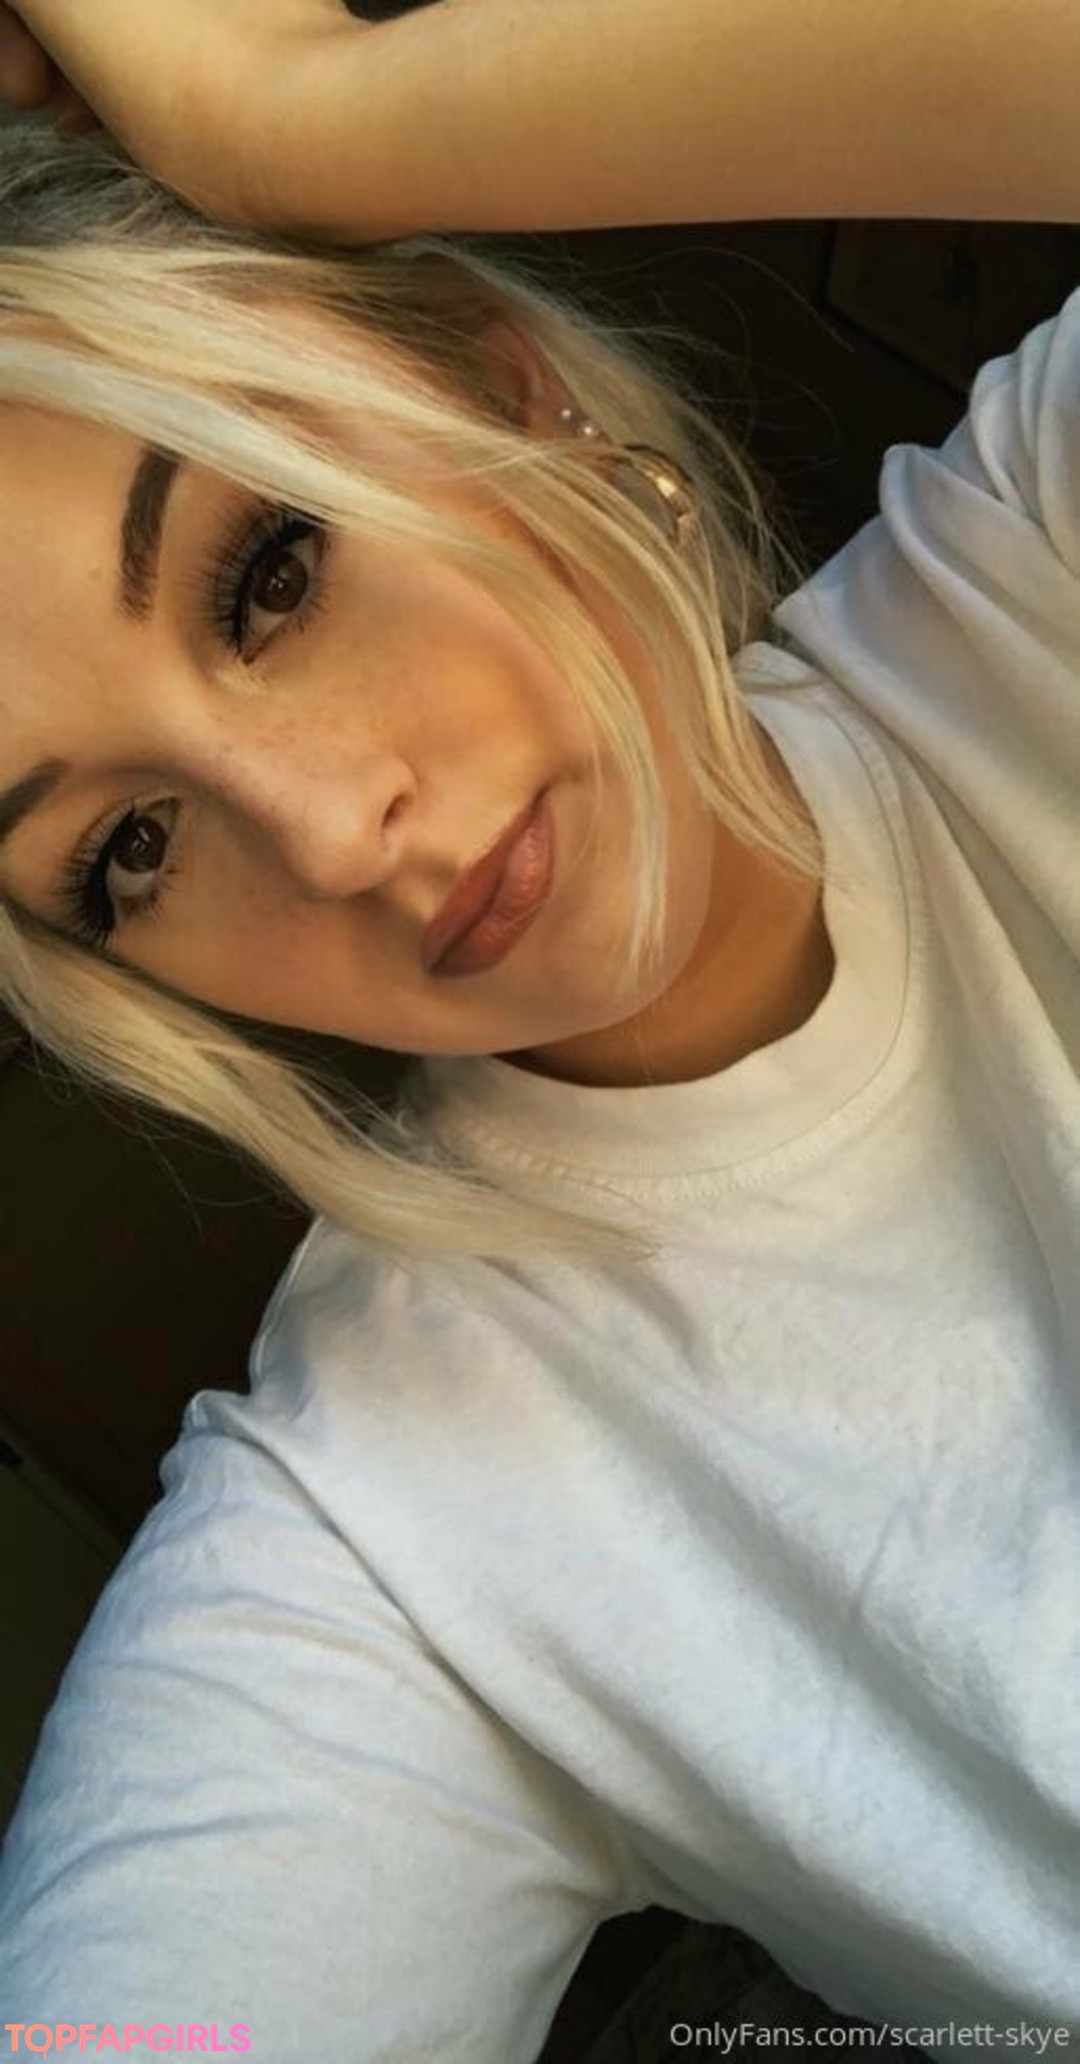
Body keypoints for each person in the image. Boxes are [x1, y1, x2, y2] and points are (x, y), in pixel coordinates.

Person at [0, 4, 1077, 2059]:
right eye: (130, 849)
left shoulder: (1046, 564)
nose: (330, 833)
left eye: (271, 570)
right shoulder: (384, 1533)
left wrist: (309, 122)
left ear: (506, 387)